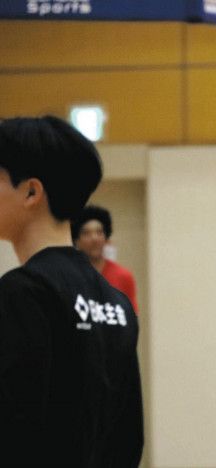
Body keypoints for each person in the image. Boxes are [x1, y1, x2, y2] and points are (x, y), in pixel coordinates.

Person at [0, 116, 143, 467]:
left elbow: (15, 428)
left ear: (31, 192)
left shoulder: (21, 293)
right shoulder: (117, 303)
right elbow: (129, 439)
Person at [72, 205, 139, 313]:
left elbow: (131, 317)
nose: (94, 238)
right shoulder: (69, 276)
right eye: (86, 233)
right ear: (77, 241)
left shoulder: (123, 276)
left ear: (106, 238)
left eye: (99, 232)